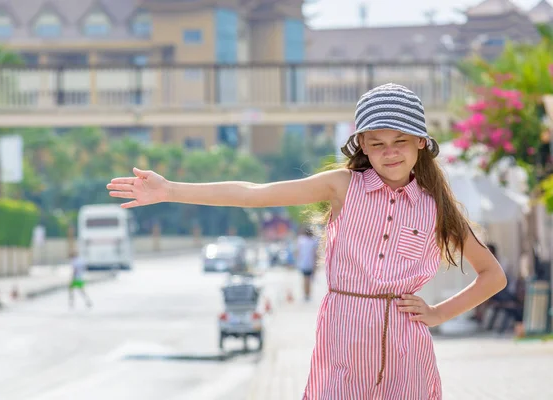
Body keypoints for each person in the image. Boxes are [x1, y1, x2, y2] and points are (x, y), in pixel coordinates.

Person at [107, 83, 506, 399]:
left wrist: (437, 313)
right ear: (362, 146)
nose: (390, 153)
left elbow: (492, 275)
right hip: (344, 337)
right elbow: (253, 193)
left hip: (408, 348)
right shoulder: (343, 186)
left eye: (400, 141)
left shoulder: (436, 207)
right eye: (377, 143)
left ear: (421, 141)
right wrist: (171, 190)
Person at [296, 226, 319, 301]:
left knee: (305, 279)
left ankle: (306, 294)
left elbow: (298, 252)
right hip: (310, 263)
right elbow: (315, 253)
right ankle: (308, 294)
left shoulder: (301, 240)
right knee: (308, 279)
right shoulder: (313, 241)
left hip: (303, 262)